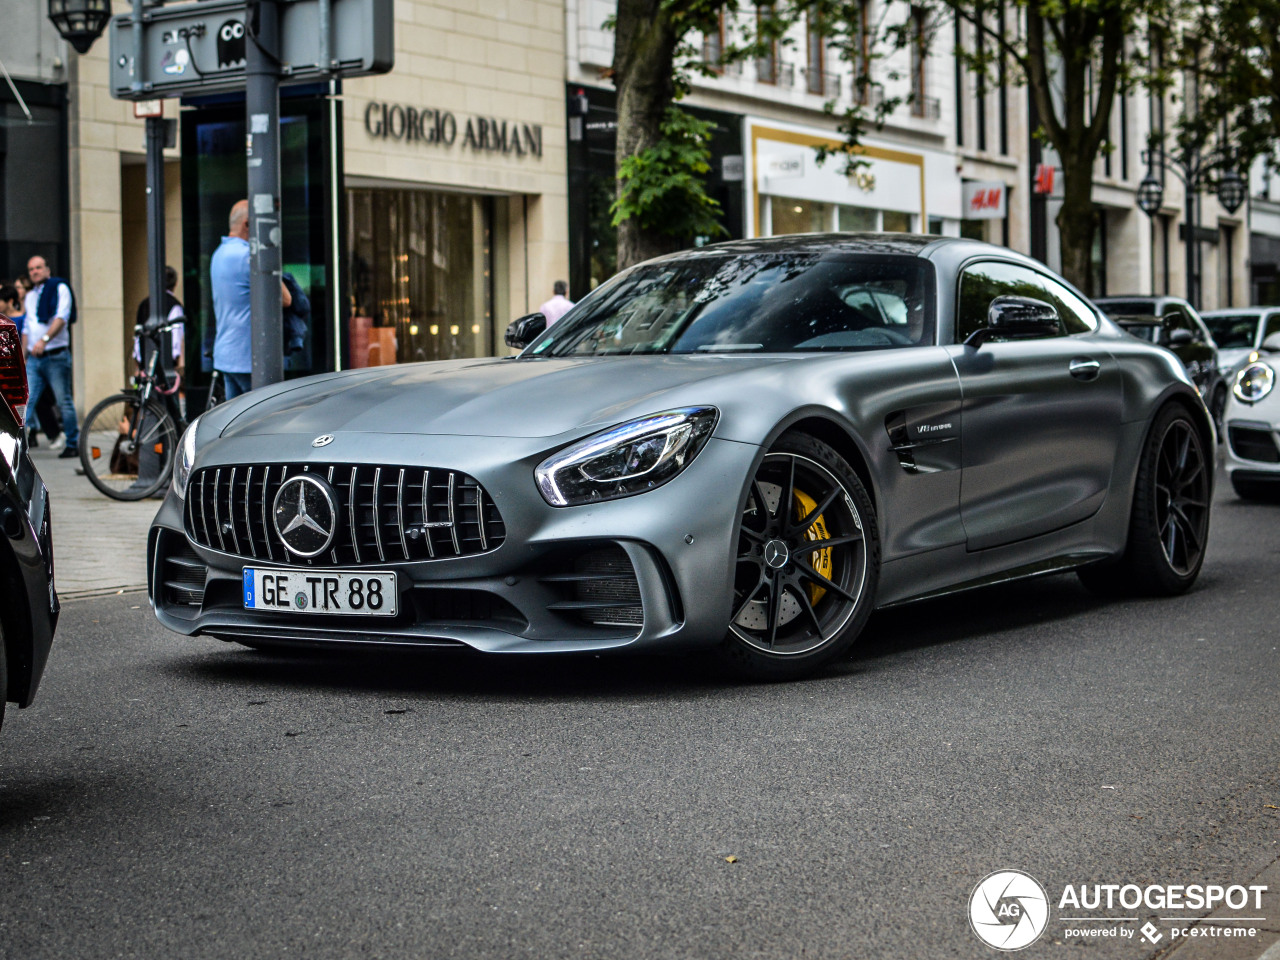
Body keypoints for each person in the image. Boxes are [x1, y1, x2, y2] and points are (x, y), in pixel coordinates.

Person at [210, 200, 290, 400]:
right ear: (247, 224)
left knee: (235, 424)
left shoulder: (218, 254)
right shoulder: (248, 256)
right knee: (262, 422)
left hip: (226, 354)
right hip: (249, 357)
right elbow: (286, 299)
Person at [23, 256, 79, 458]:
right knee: (25, 402)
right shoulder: (30, 296)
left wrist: (44, 340)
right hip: (35, 359)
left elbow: (62, 317)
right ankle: (19, 447)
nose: (35, 272)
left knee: (63, 401)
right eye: (31, 269)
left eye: (38, 268)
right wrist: (23, 355)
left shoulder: (59, 287)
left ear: (47, 269)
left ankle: (72, 443)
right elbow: (28, 328)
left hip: (56, 356)